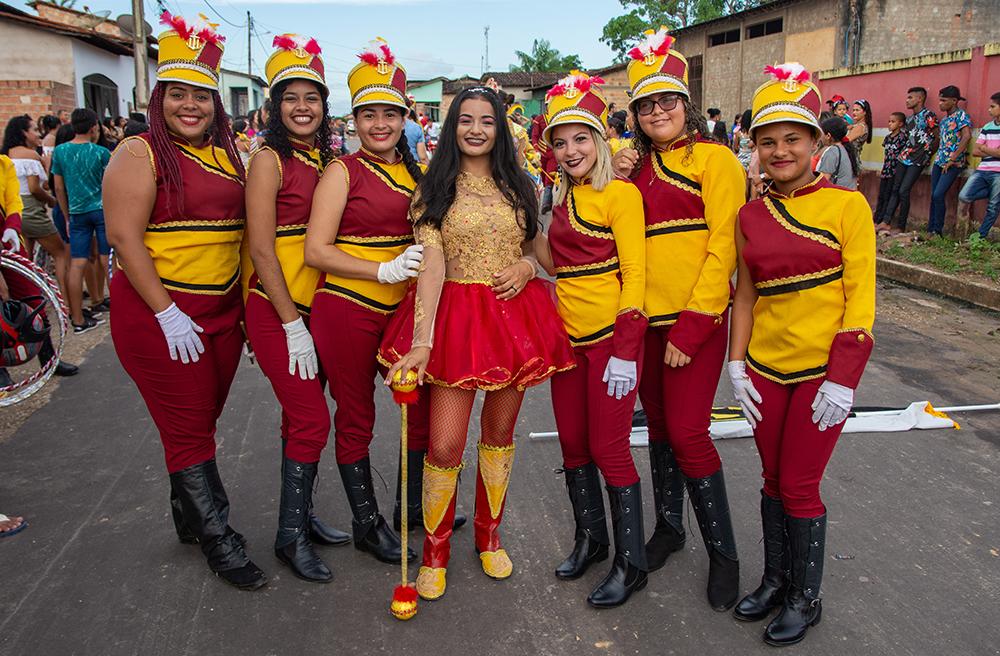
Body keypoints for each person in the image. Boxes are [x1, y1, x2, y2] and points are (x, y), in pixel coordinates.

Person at [380, 84, 574, 601]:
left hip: (515, 321)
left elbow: (545, 259)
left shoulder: (521, 185)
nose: (475, 130)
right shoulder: (434, 189)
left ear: (499, 128)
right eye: (465, 120)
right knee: (444, 443)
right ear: (451, 128)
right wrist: (422, 341)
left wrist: (527, 265)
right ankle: (435, 550)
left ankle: (490, 537)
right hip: (455, 322)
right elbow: (432, 265)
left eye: (486, 121)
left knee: (499, 434)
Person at [103, 13, 266, 591]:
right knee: (189, 427)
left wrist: (248, 315)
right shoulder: (137, 153)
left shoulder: (229, 154)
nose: (190, 106)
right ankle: (218, 537)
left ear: (216, 103)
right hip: (158, 315)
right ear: (160, 98)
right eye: (178, 95)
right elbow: (124, 238)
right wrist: (166, 312)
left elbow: (247, 237)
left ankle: (186, 514)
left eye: (201, 95)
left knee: (201, 417)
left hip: (221, 314)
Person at [728, 62, 875, 646]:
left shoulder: (847, 207)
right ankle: (774, 579)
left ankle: (804, 597)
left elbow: (861, 299)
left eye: (793, 139)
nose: (780, 150)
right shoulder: (749, 214)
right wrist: (736, 366)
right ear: (755, 149)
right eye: (768, 141)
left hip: (822, 374)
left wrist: (844, 380)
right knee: (769, 479)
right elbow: (745, 295)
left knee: (799, 484)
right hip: (765, 370)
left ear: (817, 144)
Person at [612, 27, 745, 611]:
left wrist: (693, 326)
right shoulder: (630, 170)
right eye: (646, 104)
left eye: (667, 100)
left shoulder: (716, 161)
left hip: (696, 322)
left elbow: (725, 245)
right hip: (643, 322)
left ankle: (725, 556)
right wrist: (612, 177)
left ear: (685, 106)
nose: (657, 110)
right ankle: (669, 528)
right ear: (635, 113)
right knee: (660, 429)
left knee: (690, 432)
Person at [304, 38, 428, 568]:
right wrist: (381, 268)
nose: (380, 124)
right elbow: (316, 248)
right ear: (353, 119)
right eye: (368, 114)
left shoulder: (415, 171)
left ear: (405, 119)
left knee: (417, 409)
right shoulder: (342, 171)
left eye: (390, 114)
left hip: (400, 312)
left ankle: (410, 507)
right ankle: (365, 522)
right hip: (348, 308)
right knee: (356, 417)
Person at [533, 73, 649, 608]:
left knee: (609, 449)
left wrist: (626, 350)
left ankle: (632, 563)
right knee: (575, 446)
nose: (570, 149)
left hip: (609, 344)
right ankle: (591, 539)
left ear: (600, 140)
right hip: (568, 342)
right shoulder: (560, 195)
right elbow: (557, 266)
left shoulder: (620, 195)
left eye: (581, 138)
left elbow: (636, 275)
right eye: (560, 141)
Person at [242, 33, 351, 585]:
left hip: (322, 308)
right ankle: (289, 537)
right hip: (277, 307)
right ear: (274, 106)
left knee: (299, 418)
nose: (303, 107)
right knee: (312, 418)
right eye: (291, 97)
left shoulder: (328, 158)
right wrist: (290, 324)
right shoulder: (268, 160)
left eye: (312, 97)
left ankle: (303, 518)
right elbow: (261, 247)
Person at [50, 108, 110, 334]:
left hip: (76, 212)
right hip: (102, 210)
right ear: (94, 126)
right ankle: (119, 312)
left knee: (77, 263)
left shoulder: (60, 152)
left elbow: (58, 187)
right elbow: (111, 185)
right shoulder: (101, 152)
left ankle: (77, 319)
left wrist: (66, 215)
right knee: (108, 261)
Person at [2, 115, 70, 303]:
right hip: (31, 210)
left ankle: (32, 297)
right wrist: (50, 198)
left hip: (13, 213)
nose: (38, 134)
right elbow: (36, 188)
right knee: (61, 253)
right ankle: (66, 301)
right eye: (33, 129)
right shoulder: (30, 155)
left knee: (26, 258)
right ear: (24, 133)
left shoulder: (7, 154)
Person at [883, 87, 938, 233]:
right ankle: (886, 222)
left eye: (910, 98)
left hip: (918, 159)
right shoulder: (909, 119)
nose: (907, 100)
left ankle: (901, 226)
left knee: (904, 190)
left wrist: (927, 154)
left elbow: (936, 137)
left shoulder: (929, 116)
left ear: (920, 99)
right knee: (896, 188)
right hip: (904, 157)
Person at [928, 85, 972, 236]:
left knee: (939, 194)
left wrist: (953, 158)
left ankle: (937, 230)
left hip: (953, 163)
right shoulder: (945, 119)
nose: (940, 103)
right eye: (940, 100)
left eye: (943, 100)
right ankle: (931, 228)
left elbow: (966, 136)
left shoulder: (961, 116)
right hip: (940, 161)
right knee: (933, 195)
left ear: (954, 101)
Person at [959, 91, 1000, 239]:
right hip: (982, 170)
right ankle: (993, 192)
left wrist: (985, 148)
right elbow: (976, 151)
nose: (989, 110)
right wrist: (992, 151)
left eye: (992, 106)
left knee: (993, 206)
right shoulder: (988, 126)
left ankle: (981, 236)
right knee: (964, 196)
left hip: (998, 173)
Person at [874, 112, 908, 231]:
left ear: (900, 124)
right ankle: (876, 219)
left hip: (895, 171)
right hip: (886, 170)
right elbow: (886, 155)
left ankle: (885, 220)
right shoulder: (888, 138)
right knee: (881, 195)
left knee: (889, 195)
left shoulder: (902, 138)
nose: (889, 124)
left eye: (893, 122)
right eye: (889, 121)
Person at [817, 116, 859, 190]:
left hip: (838, 196)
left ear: (828, 136)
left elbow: (822, 182)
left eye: (821, 133)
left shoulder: (832, 152)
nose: (820, 137)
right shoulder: (847, 148)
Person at [405, 98, 429, 165]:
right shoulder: (416, 127)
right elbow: (423, 157)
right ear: (408, 111)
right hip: (413, 167)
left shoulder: (387, 126)